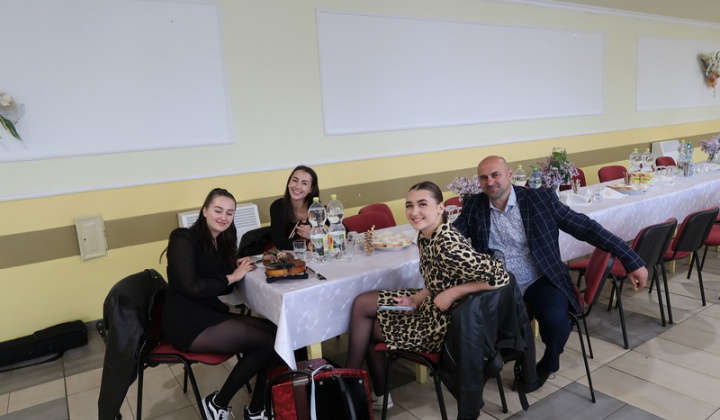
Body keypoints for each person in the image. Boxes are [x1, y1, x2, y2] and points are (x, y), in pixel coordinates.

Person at [453, 156, 649, 391]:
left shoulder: (540, 200)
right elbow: (451, 238)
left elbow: (586, 228)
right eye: (483, 177)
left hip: (539, 277)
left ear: (510, 175)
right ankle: (498, 364)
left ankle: (549, 362)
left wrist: (631, 259)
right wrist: (430, 223)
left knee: (555, 319)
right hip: (497, 283)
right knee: (469, 318)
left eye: (495, 175)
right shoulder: (474, 206)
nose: (490, 182)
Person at [345, 181, 510, 410]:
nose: (414, 212)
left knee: (370, 331)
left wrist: (453, 292)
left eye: (422, 204)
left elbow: (501, 276)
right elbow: (439, 279)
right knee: (363, 304)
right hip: (431, 304)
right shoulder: (426, 234)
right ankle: (351, 384)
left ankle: (353, 389)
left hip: (444, 324)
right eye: (409, 205)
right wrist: (416, 298)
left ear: (440, 208)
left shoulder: (447, 244)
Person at [163, 188, 282, 420]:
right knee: (267, 342)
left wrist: (234, 267)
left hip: (208, 313)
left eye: (229, 213)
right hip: (185, 321)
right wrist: (232, 276)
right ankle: (218, 404)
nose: (224, 217)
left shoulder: (220, 240)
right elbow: (191, 286)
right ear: (204, 211)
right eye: (218, 210)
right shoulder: (182, 238)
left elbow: (224, 288)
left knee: (278, 334)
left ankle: (257, 409)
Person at [269, 165, 320, 250]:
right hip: (289, 256)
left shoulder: (316, 208)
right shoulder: (277, 206)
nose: (297, 186)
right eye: (295, 180)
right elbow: (280, 244)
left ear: (311, 189)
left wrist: (313, 235)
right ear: (288, 183)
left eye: (304, 183)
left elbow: (339, 232)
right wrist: (307, 245)